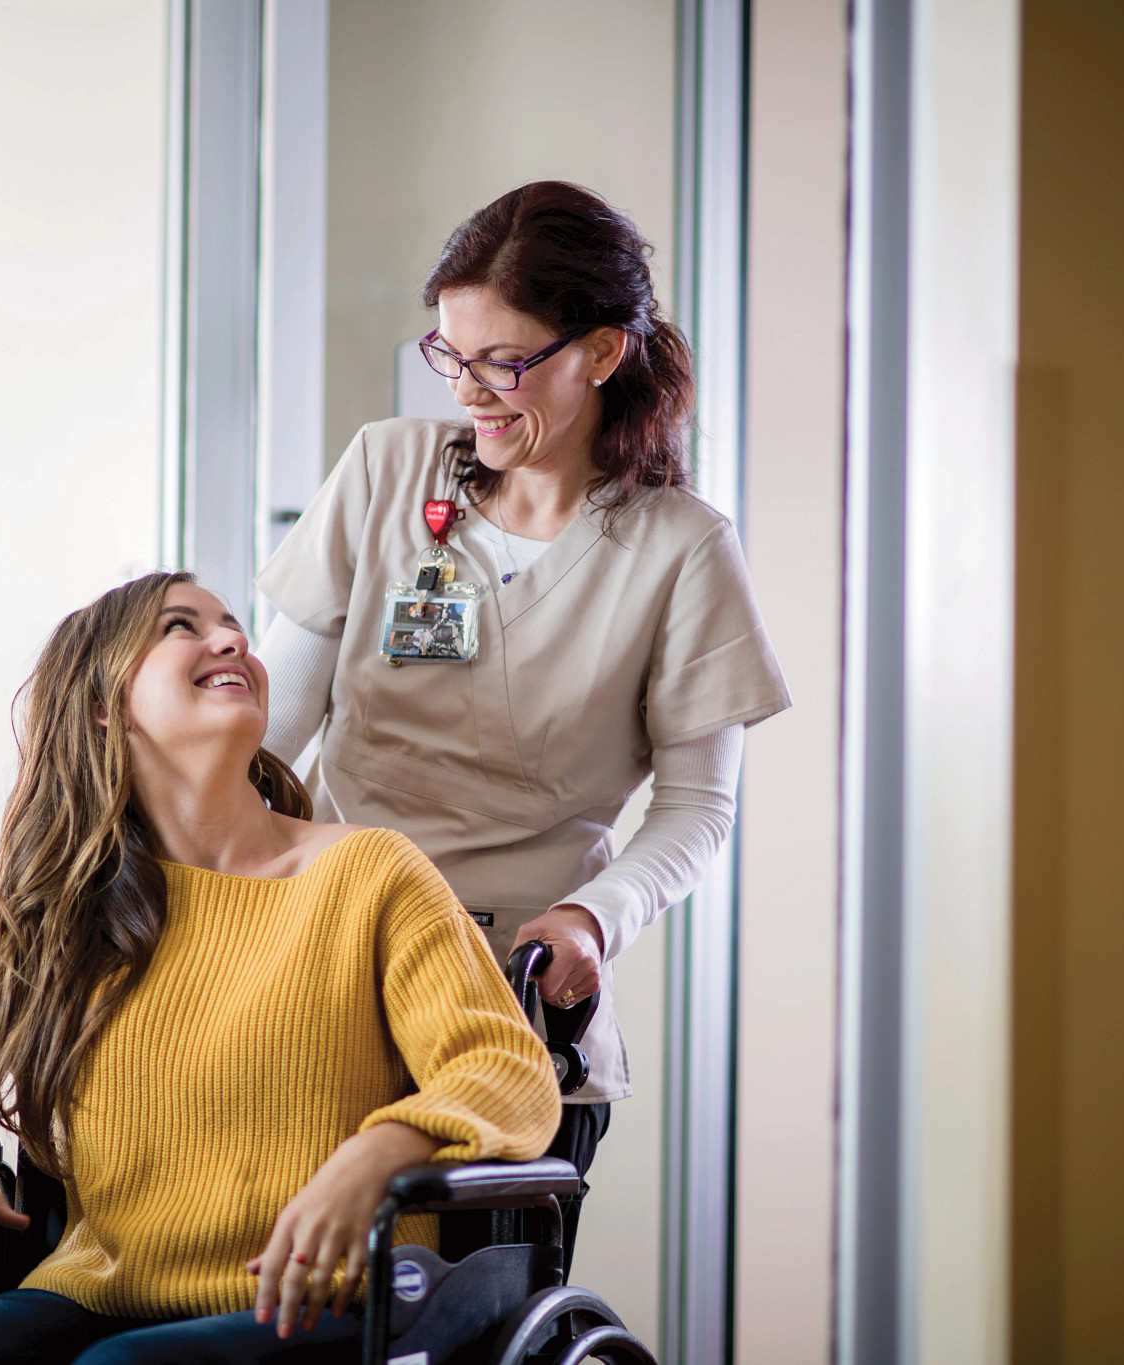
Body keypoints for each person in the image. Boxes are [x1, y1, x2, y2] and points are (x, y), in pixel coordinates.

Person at [0, 573, 559, 1365]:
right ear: (103, 703)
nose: (233, 640)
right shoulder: (49, 894)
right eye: (181, 626)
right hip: (96, 1294)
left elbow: (507, 1070)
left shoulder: (371, 874)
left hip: (327, 1296)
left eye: (234, 624)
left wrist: (372, 1156)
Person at [255, 182, 791, 1254]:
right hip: (322, 976)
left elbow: (695, 811)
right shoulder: (385, 470)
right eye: (448, 357)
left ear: (599, 352)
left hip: (508, 1002)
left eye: (504, 364)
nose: (471, 395)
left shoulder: (679, 549)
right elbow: (271, 735)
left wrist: (596, 920)